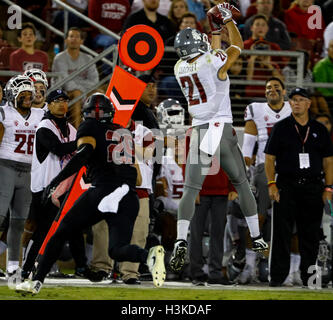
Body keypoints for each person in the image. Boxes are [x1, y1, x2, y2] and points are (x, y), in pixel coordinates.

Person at [15, 93, 166, 295]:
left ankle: (36, 282)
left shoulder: (89, 126)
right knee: (117, 250)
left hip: (104, 190)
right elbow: (137, 178)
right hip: (128, 196)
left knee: (60, 232)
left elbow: (83, 153)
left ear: (86, 114)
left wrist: (56, 181)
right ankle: (149, 256)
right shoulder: (123, 132)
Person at [169, 3, 268, 274]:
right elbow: (237, 47)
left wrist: (214, 31)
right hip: (221, 128)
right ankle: (257, 236)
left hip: (199, 129)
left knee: (191, 189)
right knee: (241, 183)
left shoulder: (179, 67)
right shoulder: (212, 61)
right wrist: (227, 22)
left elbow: (212, 53)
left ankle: (180, 239)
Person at [265, 87, 333, 287]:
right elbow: (269, 158)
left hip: (313, 187)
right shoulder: (281, 127)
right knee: (281, 235)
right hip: (286, 185)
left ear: (308, 104)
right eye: (293, 100)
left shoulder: (319, 129)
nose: (295, 103)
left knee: (310, 236)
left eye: (300, 100)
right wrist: (271, 184)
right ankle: (277, 278)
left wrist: (328, 188)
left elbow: (329, 161)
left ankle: (310, 279)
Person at [20, 89, 89, 281]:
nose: (62, 104)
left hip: (65, 189)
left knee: (73, 228)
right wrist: (83, 143)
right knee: (43, 230)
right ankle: (26, 268)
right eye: (57, 100)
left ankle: (82, 267)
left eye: (65, 101)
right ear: (48, 105)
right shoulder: (44, 126)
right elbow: (58, 149)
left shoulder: (72, 129)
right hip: (45, 188)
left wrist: (82, 144)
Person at [241, 77, 291, 282]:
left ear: (284, 92)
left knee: (289, 221)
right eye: (268, 87)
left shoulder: (293, 107)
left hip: (288, 170)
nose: (272, 90)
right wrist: (243, 171)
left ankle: (291, 270)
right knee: (257, 218)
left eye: (276, 87)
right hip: (263, 168)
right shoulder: (256, 109)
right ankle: (249, 265)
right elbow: (247, 146)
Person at [0, 75, 44, 276]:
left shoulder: (40, 114)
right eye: (23, 94)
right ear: (12, 95)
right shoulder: (3, 113)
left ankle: (12, 264)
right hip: (6, 166)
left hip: (29, 170)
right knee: (0, 216)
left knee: (19, 220)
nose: (28, 97)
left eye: (29, 93)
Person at [51, 27, 99, 129]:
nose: (74, 39)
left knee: (99, 93)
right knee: (76, 93)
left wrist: (83, 93)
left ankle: (98, 129)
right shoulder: (60, 58)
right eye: (71, 36)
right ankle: (76, 131)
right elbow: (66, 83)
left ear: (82, 41)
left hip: (83, 92)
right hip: (61, 91)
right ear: (66, 40)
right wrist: (81, 93)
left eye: (77, 37)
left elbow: (95, 81)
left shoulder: (88, 58)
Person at [313, 39, 333, 106]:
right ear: (327, 50)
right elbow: (321, 89)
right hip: (329, 100)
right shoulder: (320, 66)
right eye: (332, 47)